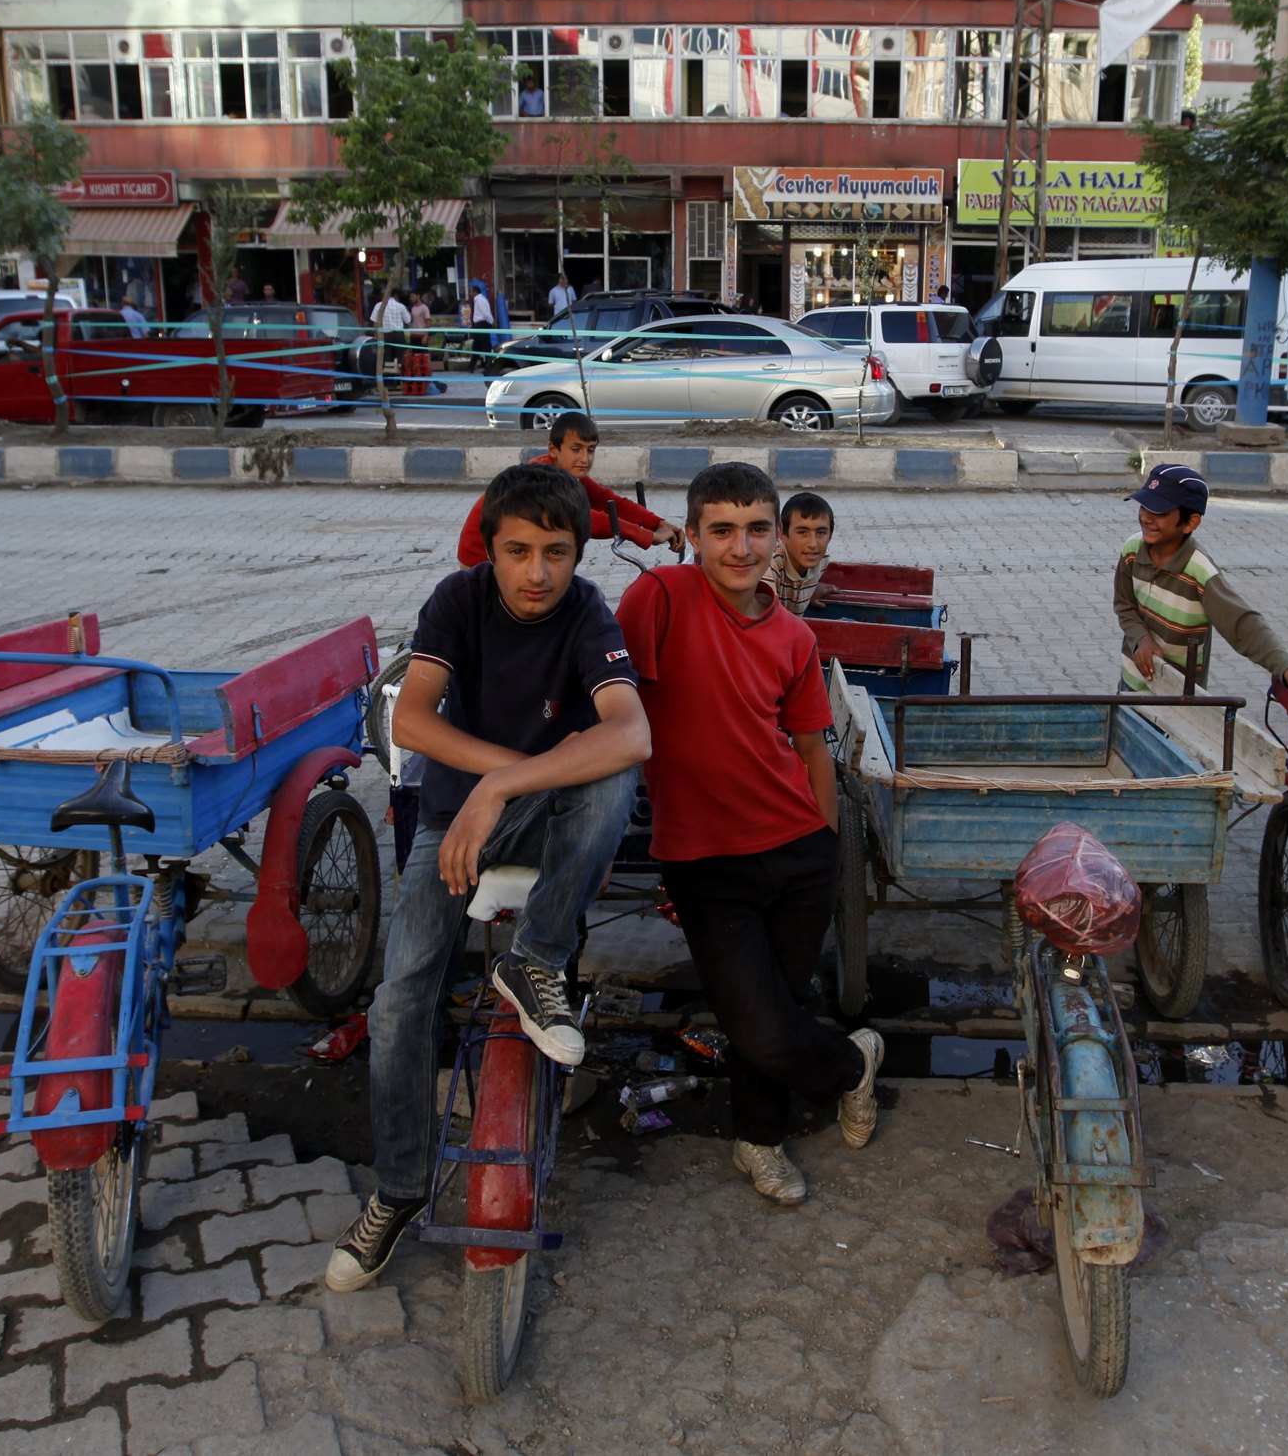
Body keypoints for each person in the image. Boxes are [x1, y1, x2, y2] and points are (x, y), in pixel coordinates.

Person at [325, 464, 651, 1294]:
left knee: (613, 778)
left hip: (535, 810)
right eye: (517, 550)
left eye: (555, 551)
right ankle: (397, 1189)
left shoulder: (585, 612)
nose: (536, 572)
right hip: (451, 820)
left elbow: (630, 733)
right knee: (399, 999)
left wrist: (503, 785)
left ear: (579, 553)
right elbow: (408, 716)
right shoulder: (457, 599)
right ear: (490, 549)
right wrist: (492, 786)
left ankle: (534, 958)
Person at [616, 462, 883, 1206]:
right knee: (758, 1024)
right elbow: (607, 692)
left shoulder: (795, 636)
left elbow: (809, 750)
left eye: (756, 528)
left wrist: (826, 848)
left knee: (777, 1012)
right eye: (722, 530)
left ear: (777, 535)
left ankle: (758, 1142)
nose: (741, 547)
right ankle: (854, 1062)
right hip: (702, 857)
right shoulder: (658, 598)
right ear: (693, 534)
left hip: (797, 847)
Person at [1116, 462, 1288, 698]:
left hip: (1178, 697)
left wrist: (1286, 667)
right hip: (1131, 682)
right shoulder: (1131, 550)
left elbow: (1243, 624)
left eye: (1160, 512)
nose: (1146, 518)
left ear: (1190, 522)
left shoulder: (1200, 573)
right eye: (1144, 506)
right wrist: (1141, 640)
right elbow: (1124, 605)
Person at [455, 409, 682, 566]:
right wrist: (646, 535)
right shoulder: (541, 479)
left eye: (590, 449)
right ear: (553, 449)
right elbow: (583, 516)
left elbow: (607, 501)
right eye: (576, 449)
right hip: (485, 564)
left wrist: (658, 522)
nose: (584, 458)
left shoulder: (567, 474)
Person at [768, 491, 834, 615]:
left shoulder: (821, 560)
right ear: (782, 534)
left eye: (821, 533)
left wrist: (809, 591)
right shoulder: (771, 567)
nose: (813, 544)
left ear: (830, 536)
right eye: (802, 532)